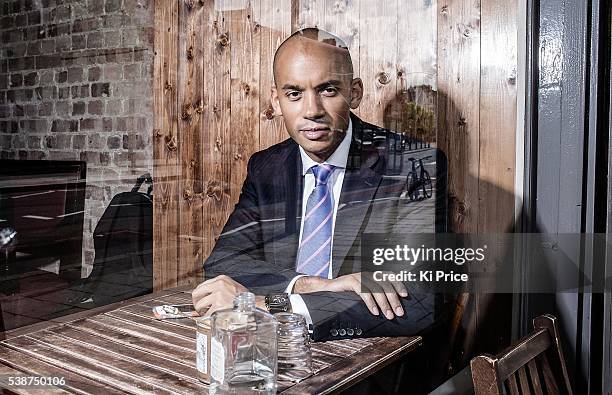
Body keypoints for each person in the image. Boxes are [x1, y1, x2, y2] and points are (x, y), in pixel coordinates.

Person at [192, 28, 447, 341]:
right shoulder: (267, 168)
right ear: (277, 99)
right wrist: (315, 285)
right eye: (294, 94)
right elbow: (224, 263)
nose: (312, 111)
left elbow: (418, 300)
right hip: (268, 348)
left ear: (354, 92)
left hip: (369, 361)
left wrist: (268, 304)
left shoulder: (413, 165)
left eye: (327, 90)